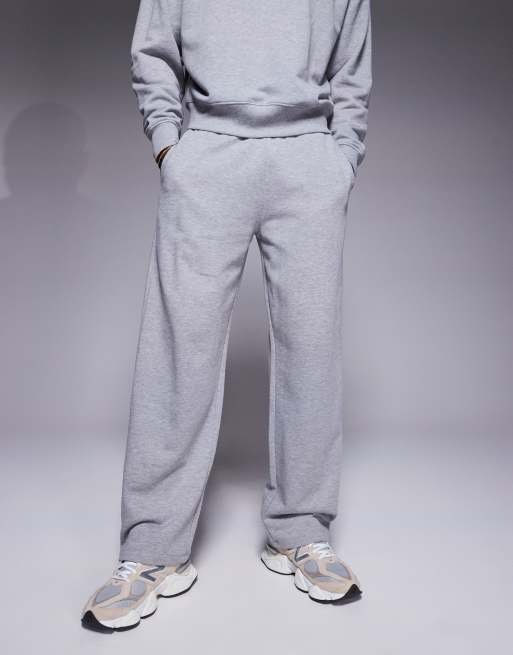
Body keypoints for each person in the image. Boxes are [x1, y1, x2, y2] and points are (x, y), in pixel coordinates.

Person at [81, 0, 372, 632]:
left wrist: (342, 155)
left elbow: (352, 68)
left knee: (311, 348)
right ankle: (152, 549)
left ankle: (301, 531)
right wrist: (169, 146)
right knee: (177, 349)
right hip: (207, 155)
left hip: (308, 160)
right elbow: (153, 51)